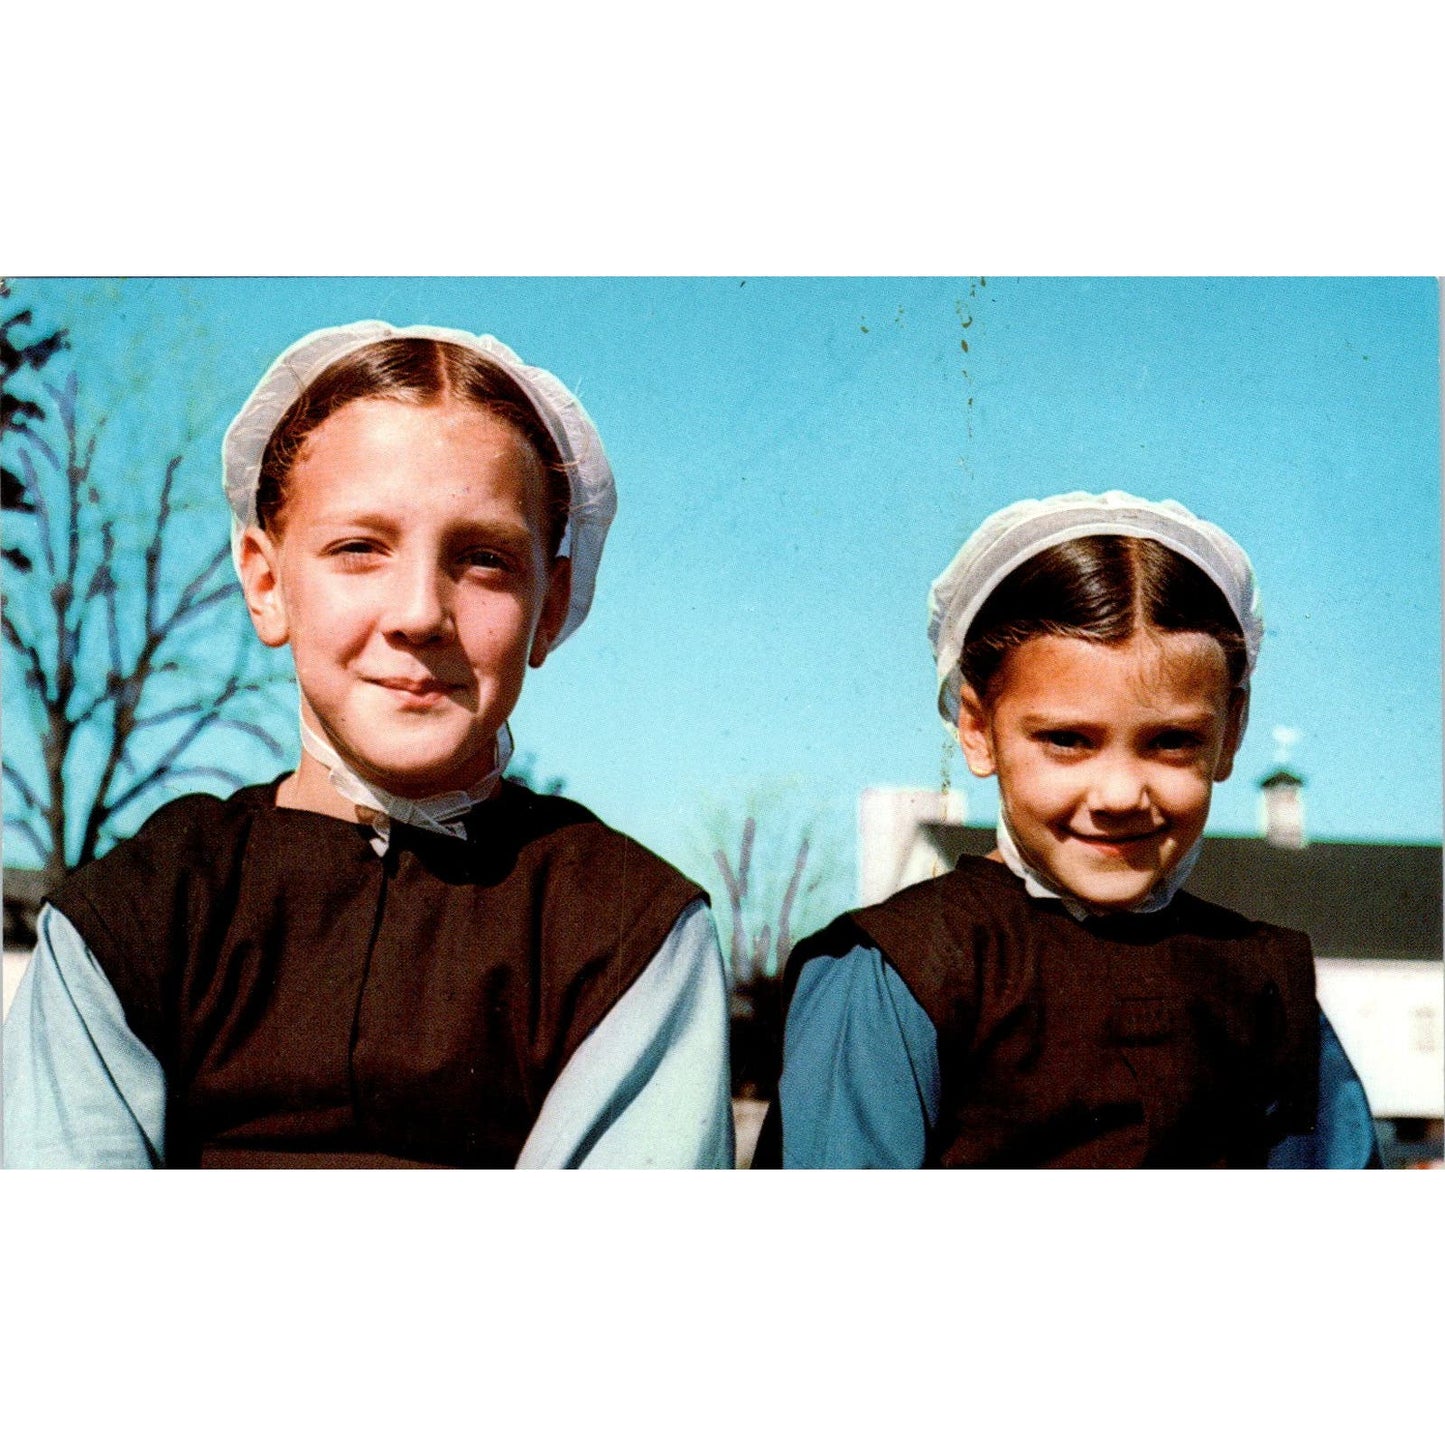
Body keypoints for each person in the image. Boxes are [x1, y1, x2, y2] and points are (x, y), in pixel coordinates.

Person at [4, 320, 734, 1169]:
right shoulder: (138, 913)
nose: (420, 611)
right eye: (359, 548)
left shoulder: (625, 932)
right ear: (267, 582)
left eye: (485, 558)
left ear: (553, 598)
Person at [754, 490, 1379, 1168]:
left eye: (1170, 741)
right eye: (1067, 739)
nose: (1118, 794)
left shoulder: (1264, 984)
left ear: (1230, 733)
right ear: (975, 727)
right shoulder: (902, 969)